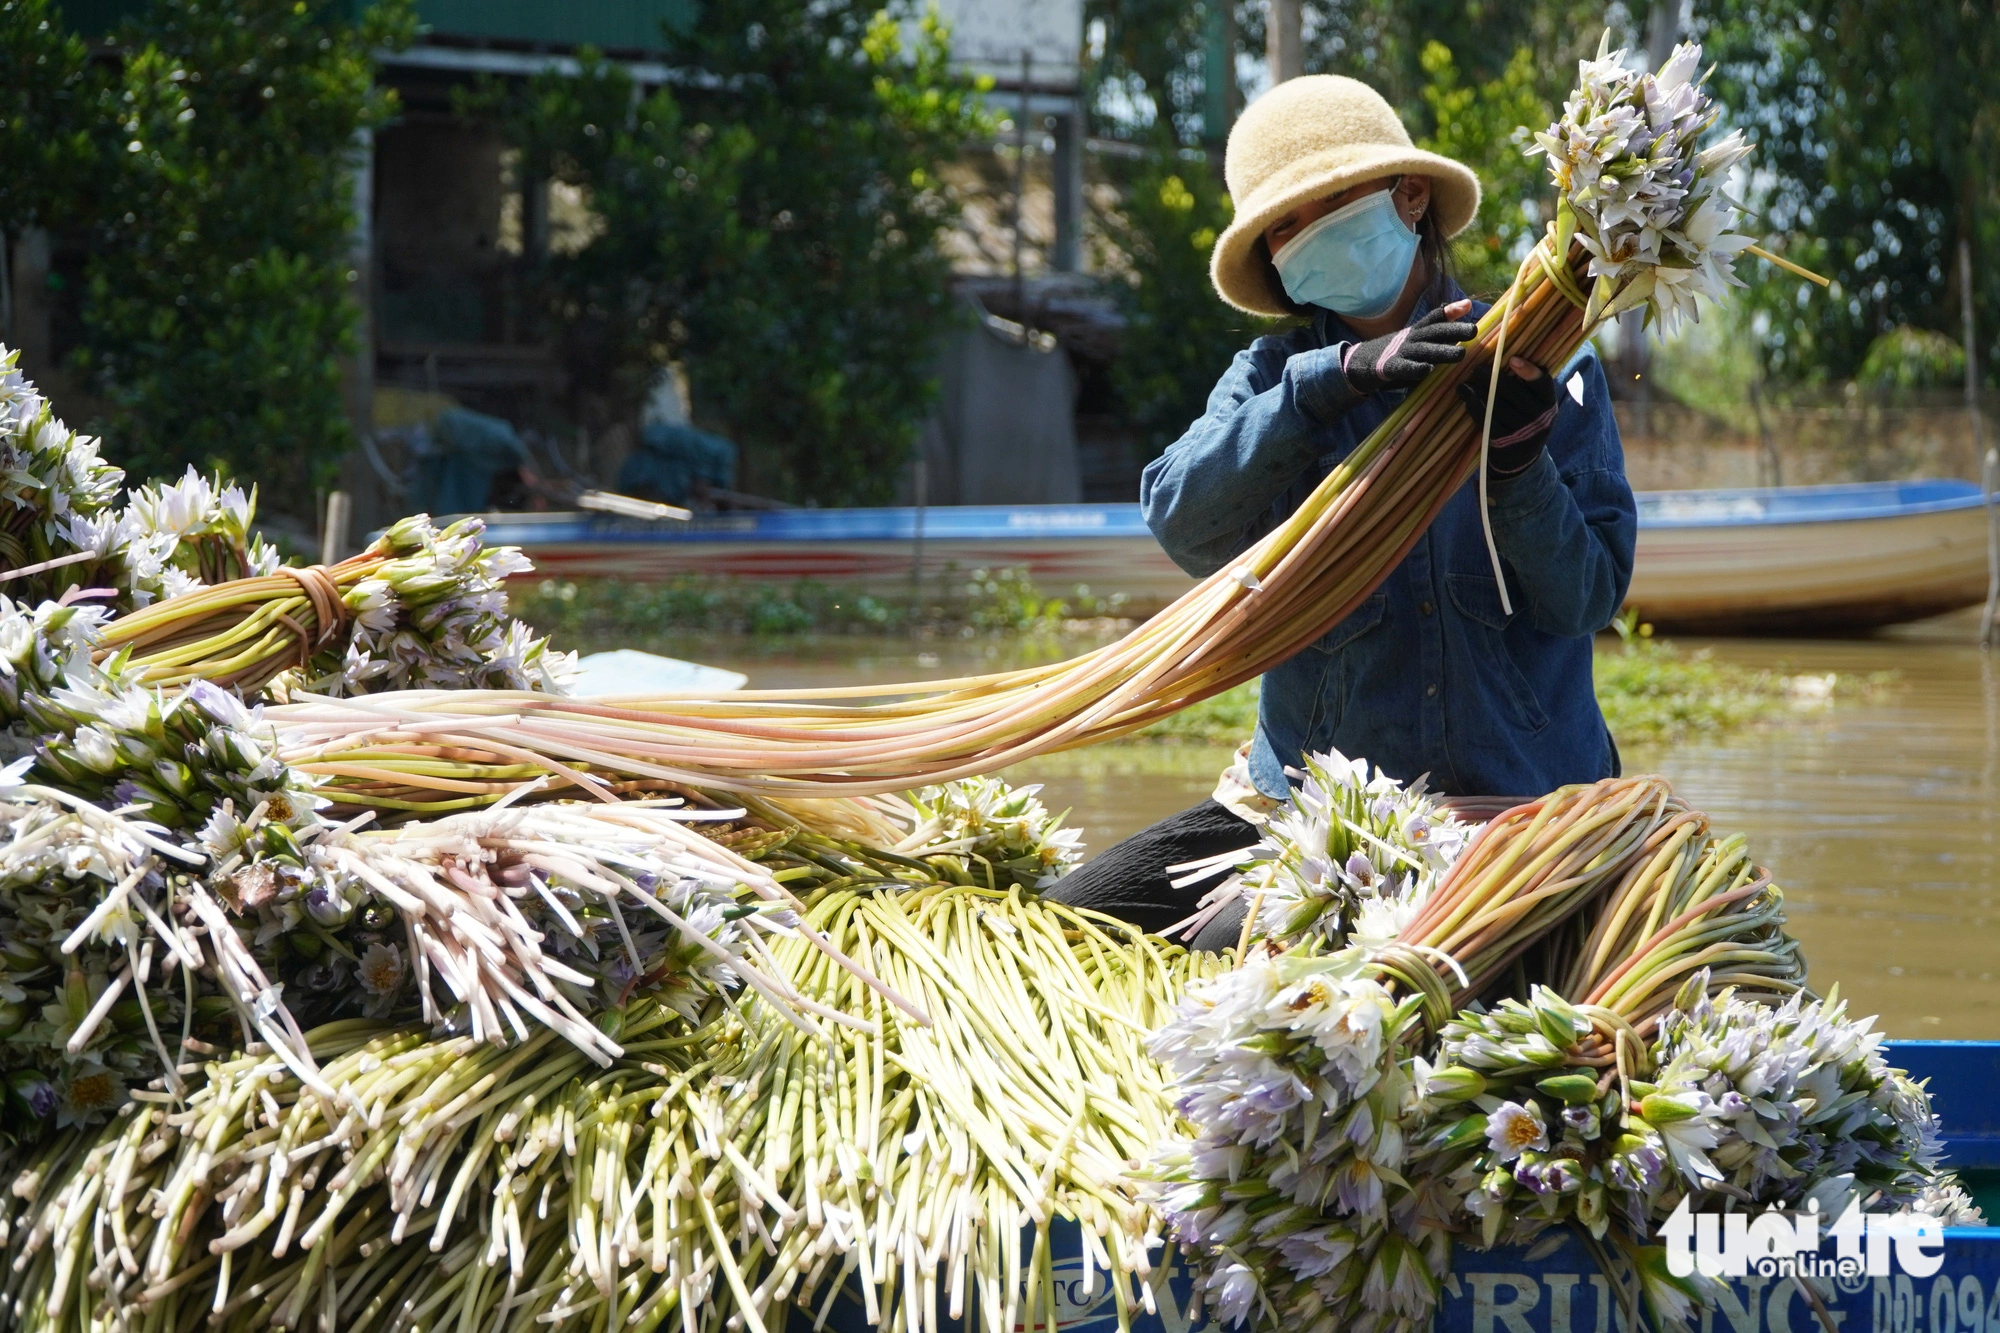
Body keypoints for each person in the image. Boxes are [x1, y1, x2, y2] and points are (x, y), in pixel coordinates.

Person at [1045, 74, 1636, 948]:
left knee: (1256, 962)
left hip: (1514, 813)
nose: (1299, 238)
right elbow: (1180, 519)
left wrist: (1516, 464)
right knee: (1067, 924)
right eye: (1281, 227)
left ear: (1408, 197)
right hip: (1308, 816)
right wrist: (1329, 385)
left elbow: (1586, 597)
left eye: (1322, 208)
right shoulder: (1270, 377)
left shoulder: (1544, 367)